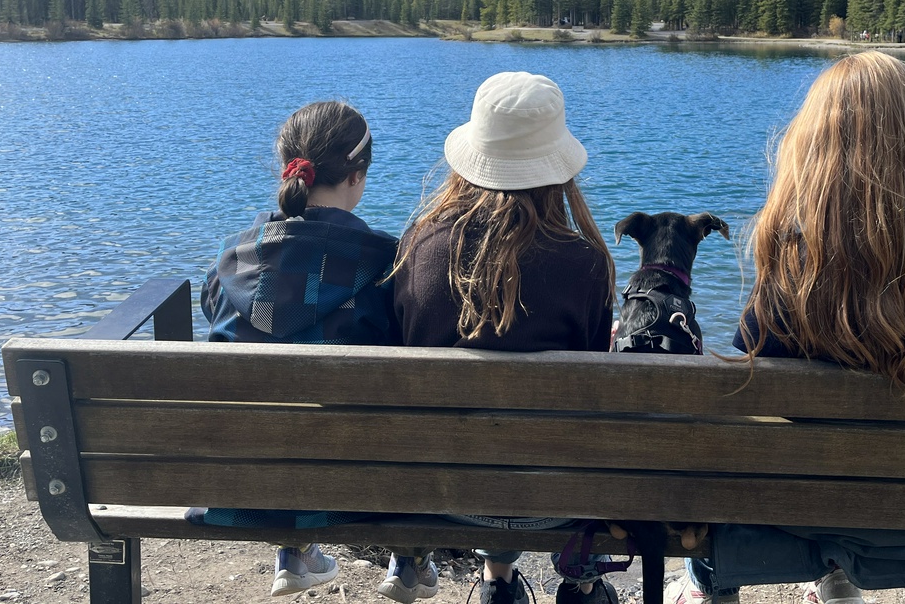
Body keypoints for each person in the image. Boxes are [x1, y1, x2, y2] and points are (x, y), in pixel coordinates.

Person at [666, 52, 905, 604]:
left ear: (815, 143)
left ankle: (710, 578)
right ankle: (837, 577)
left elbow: (751, 378)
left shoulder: (793, 258)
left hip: (800, 508)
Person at [391, 70, 618, 604]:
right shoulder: (586, 263)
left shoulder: (420, 248)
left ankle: (498, 582)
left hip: (444, 491)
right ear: (556, 169)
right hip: (557, 496)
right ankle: (581, 582)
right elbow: (589, 399)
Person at [195, 100, 408, 598]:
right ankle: (406, 560)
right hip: (357, 492)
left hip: (240, 486)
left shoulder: (231, 262)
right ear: (357, 175)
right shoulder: (387, 265)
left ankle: (295, 551)